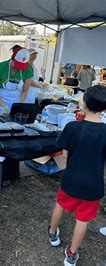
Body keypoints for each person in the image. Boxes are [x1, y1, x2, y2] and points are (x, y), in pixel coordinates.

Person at [48, 85, 106, 266]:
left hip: (71, 180)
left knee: (60, 204)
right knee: (83, 219)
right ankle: (72, 254)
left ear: (84, 104)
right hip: (93, 184)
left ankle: (52, 233)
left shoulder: (72, 127)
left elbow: (64, 154)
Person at [0, 47, 33, 116]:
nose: (18, 69)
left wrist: (18, 105)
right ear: (12, 59)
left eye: (21, 67)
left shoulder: (28, 69)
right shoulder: (1, 66)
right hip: (0, 101)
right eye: (17, 66)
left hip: (17, 100)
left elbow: (25, 91)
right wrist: (3, 106)